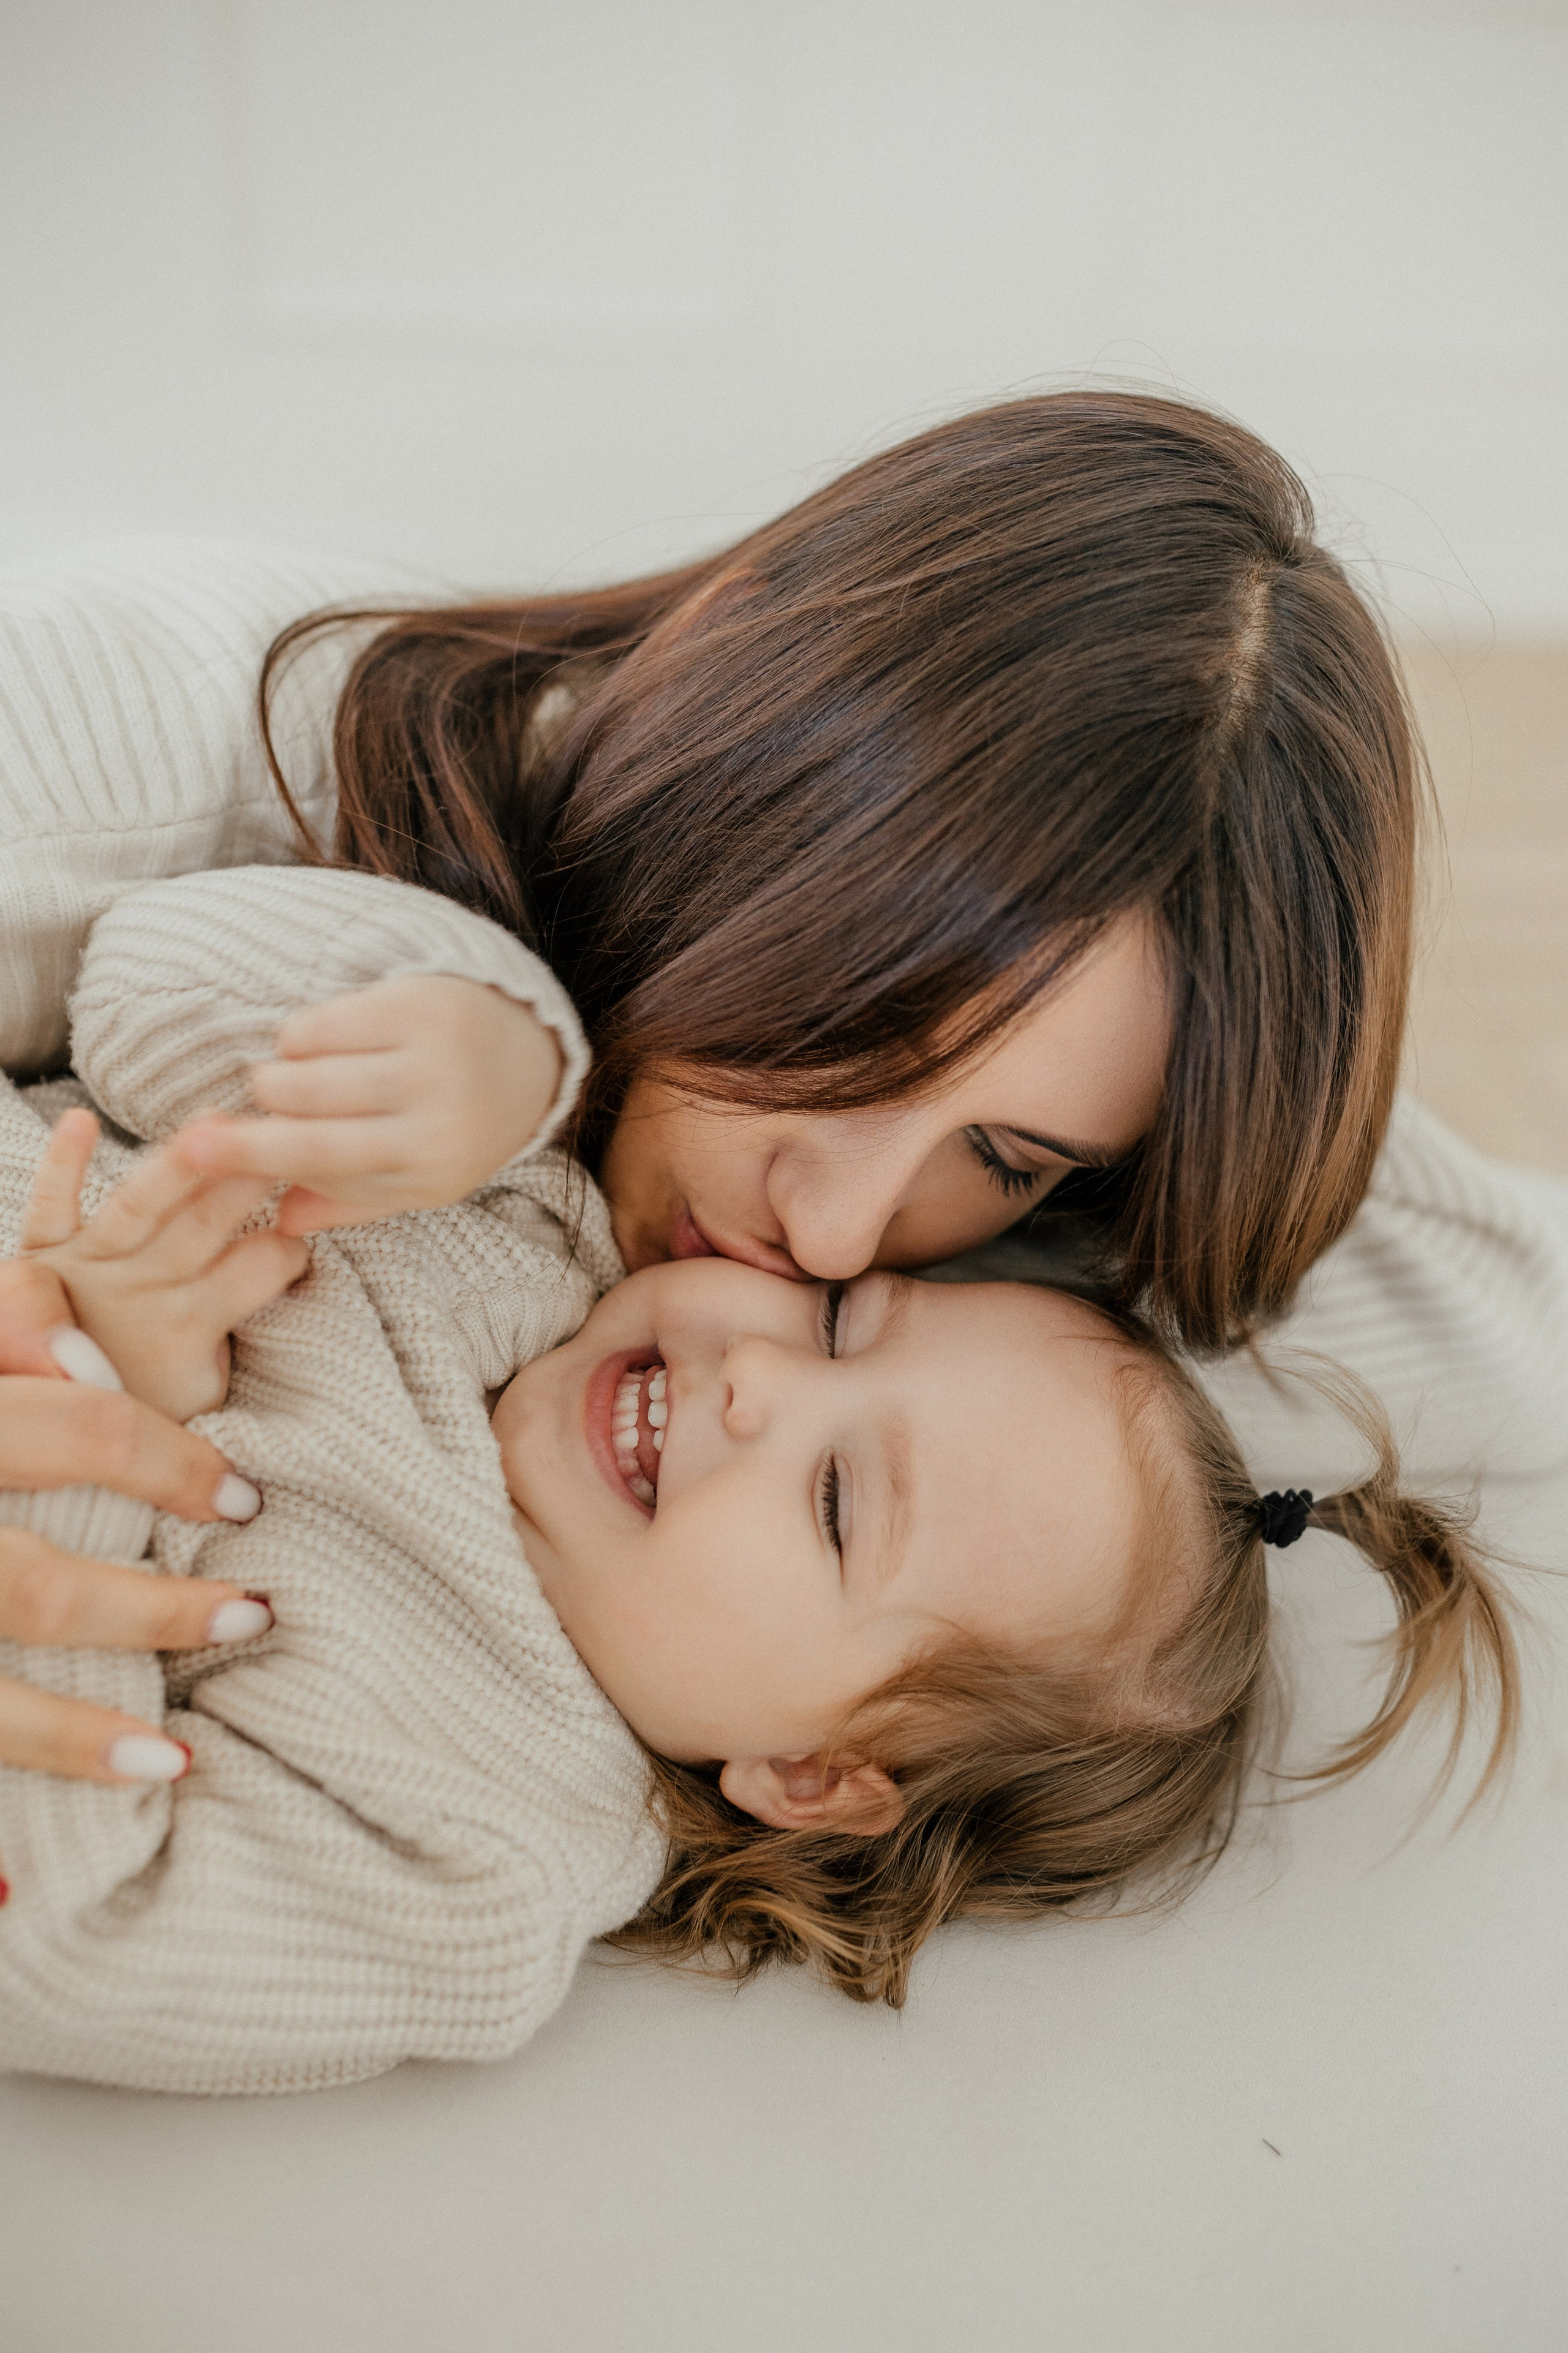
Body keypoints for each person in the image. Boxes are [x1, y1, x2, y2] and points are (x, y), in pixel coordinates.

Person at [3, 390, 1566, 1806]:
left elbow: (1510, 1321)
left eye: (1004, 1155)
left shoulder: (910, 1284)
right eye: (842, 1029)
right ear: (736, 715)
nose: (830, 1237)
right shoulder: (115, 775)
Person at [0, 919, 1515, 2091]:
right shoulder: (541, 1219)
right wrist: (462, 1017)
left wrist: (88, 1415)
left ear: (807, 1771)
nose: (759, 1379)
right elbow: (132, 987)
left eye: (840, 1503)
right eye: (842, 1320)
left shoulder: (477, 1849)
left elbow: (64, 1939)